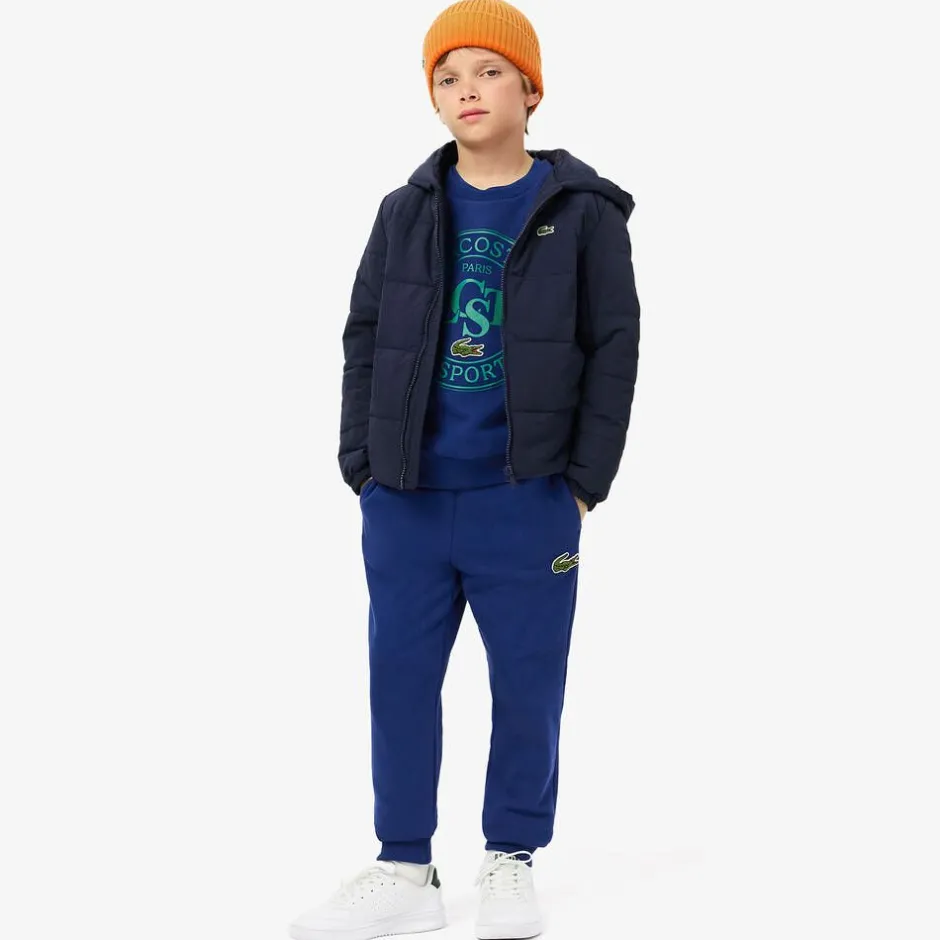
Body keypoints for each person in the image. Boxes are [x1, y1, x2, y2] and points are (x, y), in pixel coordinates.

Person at [290, 1, 640, 938]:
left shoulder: (585, 214)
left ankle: (510, 857)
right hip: (406, 495)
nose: (466, 91)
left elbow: (614, 348)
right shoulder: (404, 211)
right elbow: (364, 334)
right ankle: (404, 865)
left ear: (531, 90)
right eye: (447, 78)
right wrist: (363, 465)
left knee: (528, 684)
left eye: (488, 72)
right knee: (398, 681)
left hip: (526, 497)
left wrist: (582, 482)